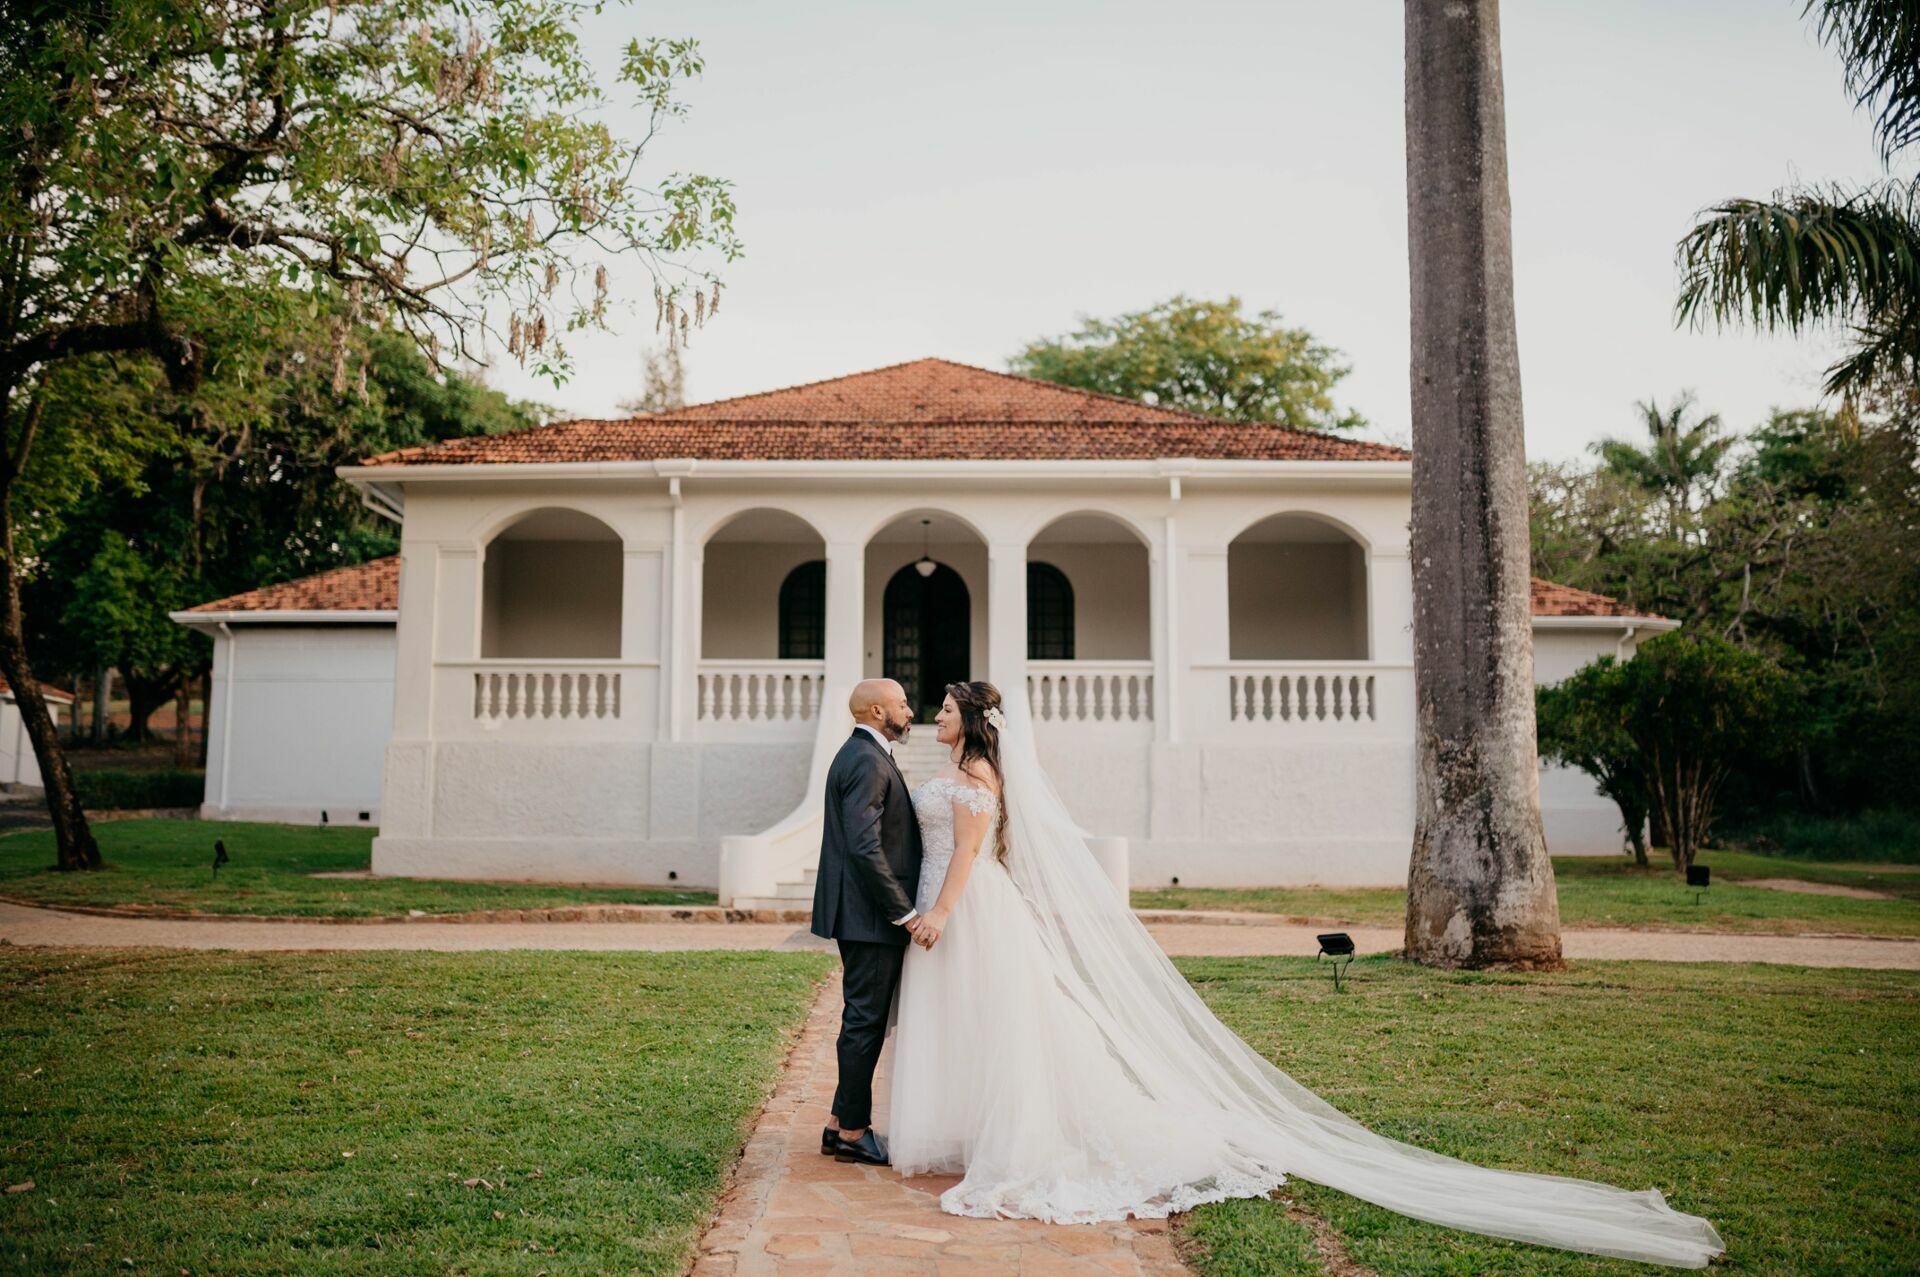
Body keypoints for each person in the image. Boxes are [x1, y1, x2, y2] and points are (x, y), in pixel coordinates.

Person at [885, 679, 1726, 1269]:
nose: (937, 713)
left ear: (975, 719)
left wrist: (943, 912)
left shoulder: (977, 777)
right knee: (978, 1022)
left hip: (964, 908)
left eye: (948, 705)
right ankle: (971, 1129)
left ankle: (1017, 1140)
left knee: (1003, 1023)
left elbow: (966, 854)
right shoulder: (952, 772)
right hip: (948, 904)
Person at [809, 677, 924, 1167]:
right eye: (901, 704)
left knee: (861, 1020)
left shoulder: (863, 754)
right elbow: (863, 844)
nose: (910, 711)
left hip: (860, 914)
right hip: (871, 917)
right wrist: (902, 910)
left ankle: (838, 1124)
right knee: (864, 1023)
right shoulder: (865, 759)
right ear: (877, 711)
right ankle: (855, 1131)